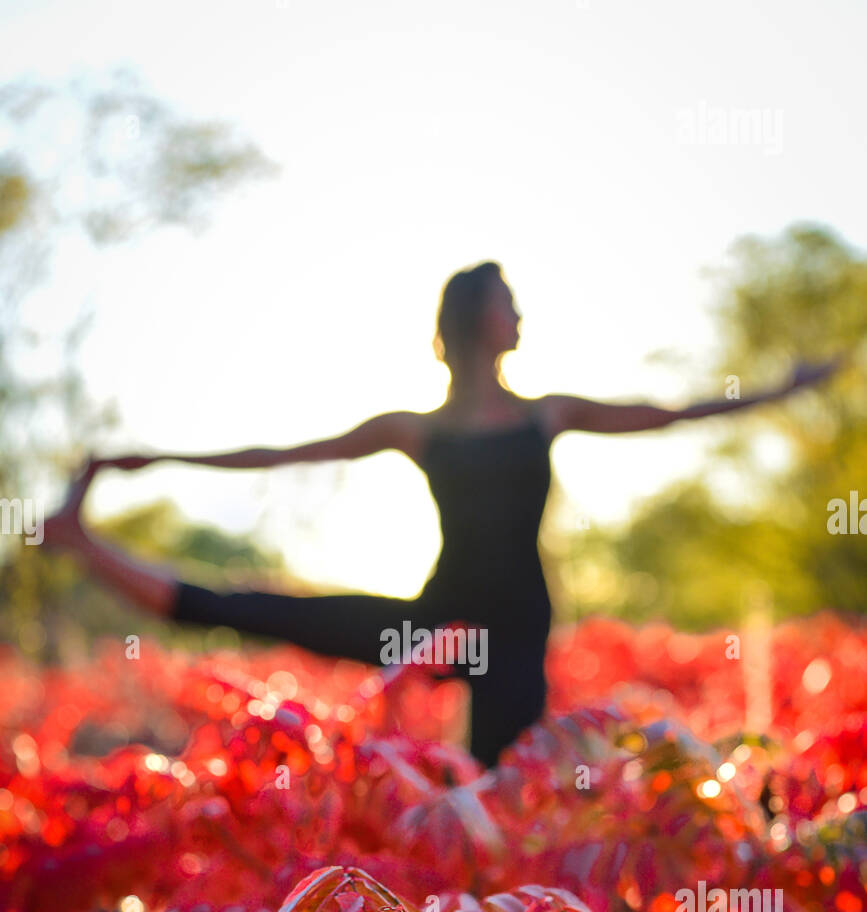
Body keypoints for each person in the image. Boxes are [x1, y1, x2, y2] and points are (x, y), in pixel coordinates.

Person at [43, 260, 842, 766]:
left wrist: (782, 389)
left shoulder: (547, 413)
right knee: (256, 608)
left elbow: (667, 412)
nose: (521, 315)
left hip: (518, 633)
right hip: (437, 620)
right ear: (474, 321)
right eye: (509, 303)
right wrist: (163, 460)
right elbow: (283, 452)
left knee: (494, 795)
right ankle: (80, 543)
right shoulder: (416, 428)